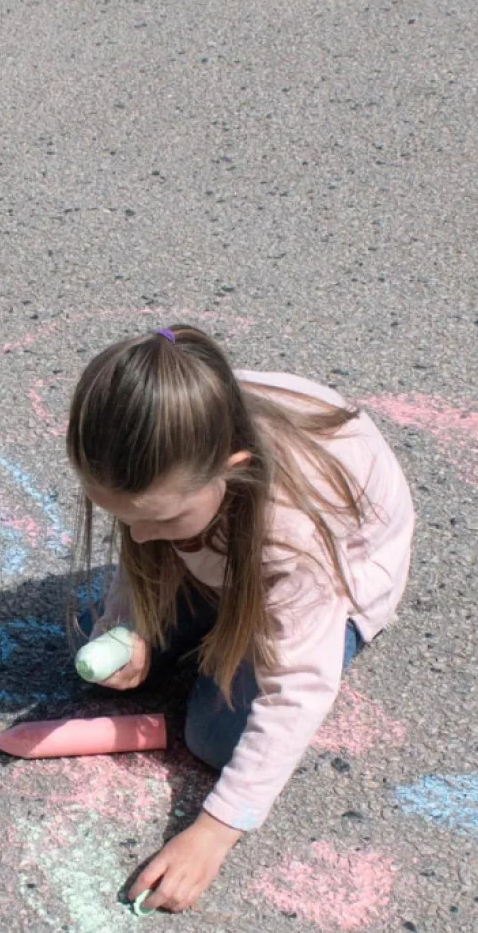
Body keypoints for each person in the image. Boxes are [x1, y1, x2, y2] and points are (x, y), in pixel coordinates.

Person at [67, 324, 415, 913]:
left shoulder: (293, 536)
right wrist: (134, 622)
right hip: (226, 550)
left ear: (232, 468)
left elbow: (298, 690)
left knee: (214, 737)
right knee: (90, 636)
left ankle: (225, 634)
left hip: (337, 575)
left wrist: (213, 832)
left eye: (163, 520)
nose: (138, 535)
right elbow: (145, 536)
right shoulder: (165, 448)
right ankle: (202, 625)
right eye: (121, 518)